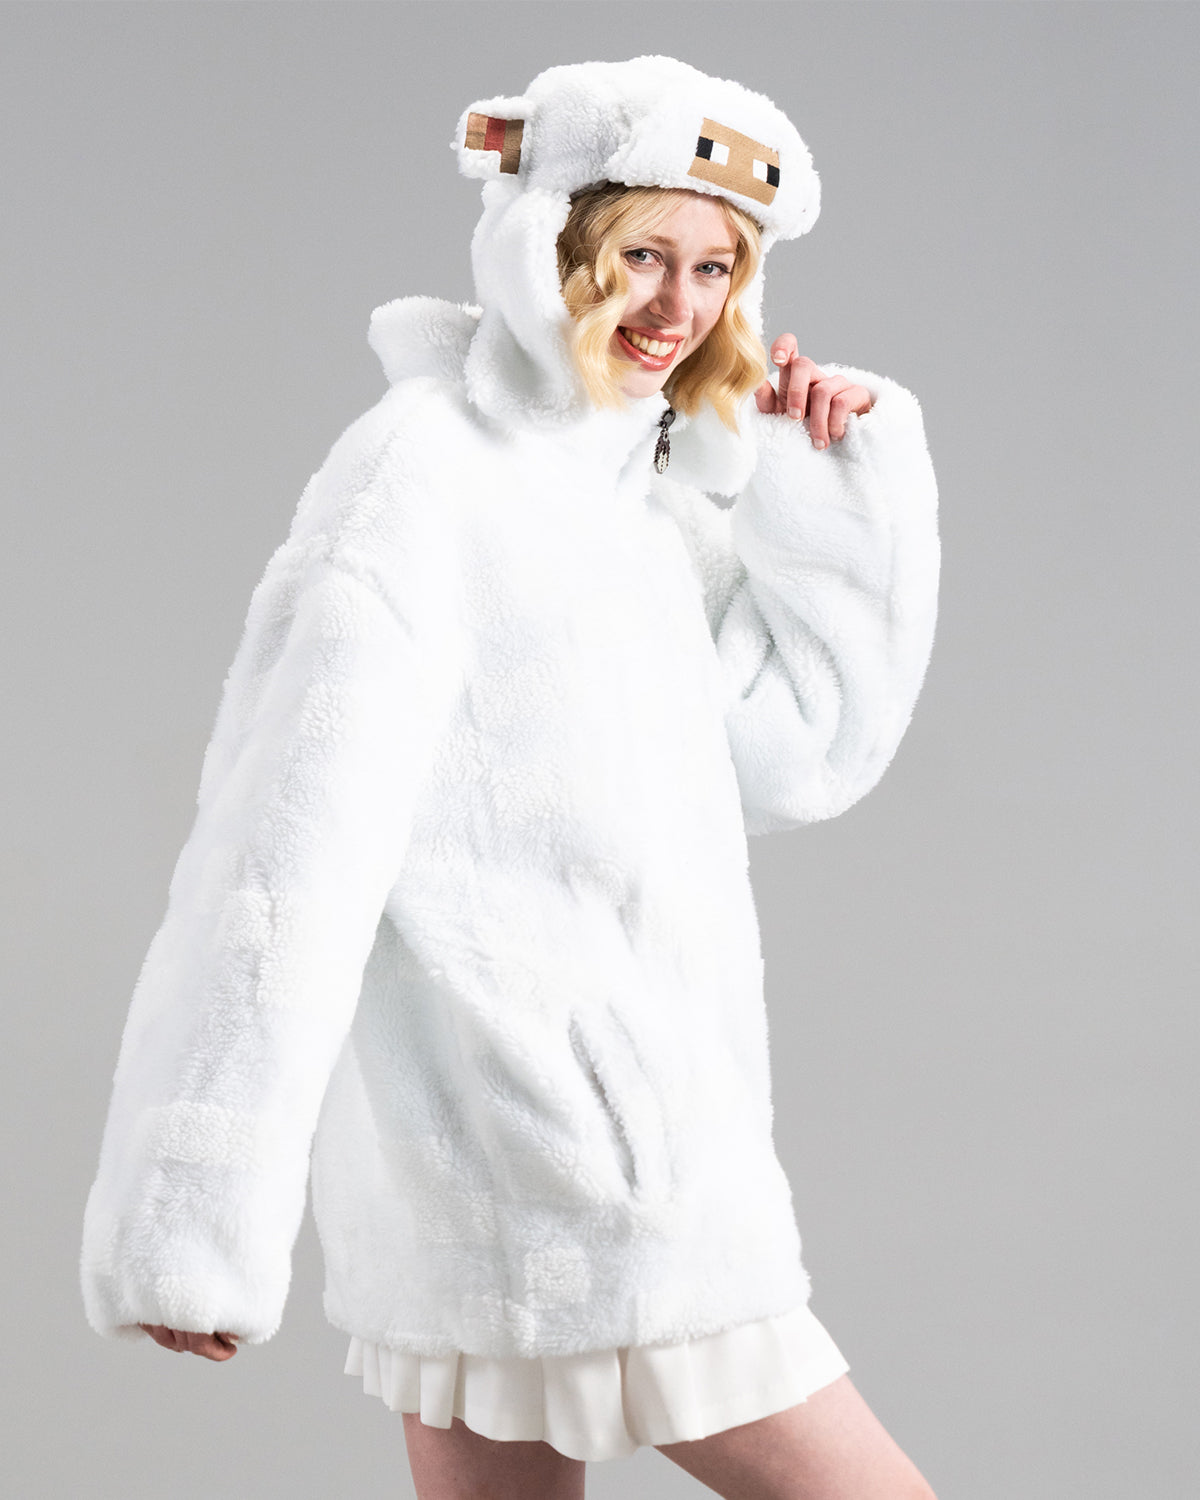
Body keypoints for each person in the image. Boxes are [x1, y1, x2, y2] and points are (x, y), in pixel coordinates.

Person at [80, 56, 941, 1499]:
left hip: (519, 1172)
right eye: (642, 257)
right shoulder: (423, 476)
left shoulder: (633, 497)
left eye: (716, 268)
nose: (678, 307)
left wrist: (827, 488)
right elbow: (280, 856)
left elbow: (796, 755)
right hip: (576, 1172)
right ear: (552, 247)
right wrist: (193, 1211)